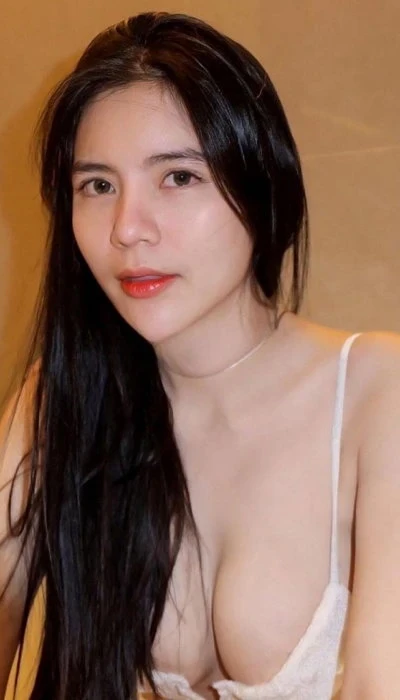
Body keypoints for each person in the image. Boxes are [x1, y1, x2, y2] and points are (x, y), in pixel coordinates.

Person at [1, 11, 400, 700]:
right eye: (98, 186)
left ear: (261, 182)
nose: (128, 229)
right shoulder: (62, 402)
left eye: (179, 177)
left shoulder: (377, 393)